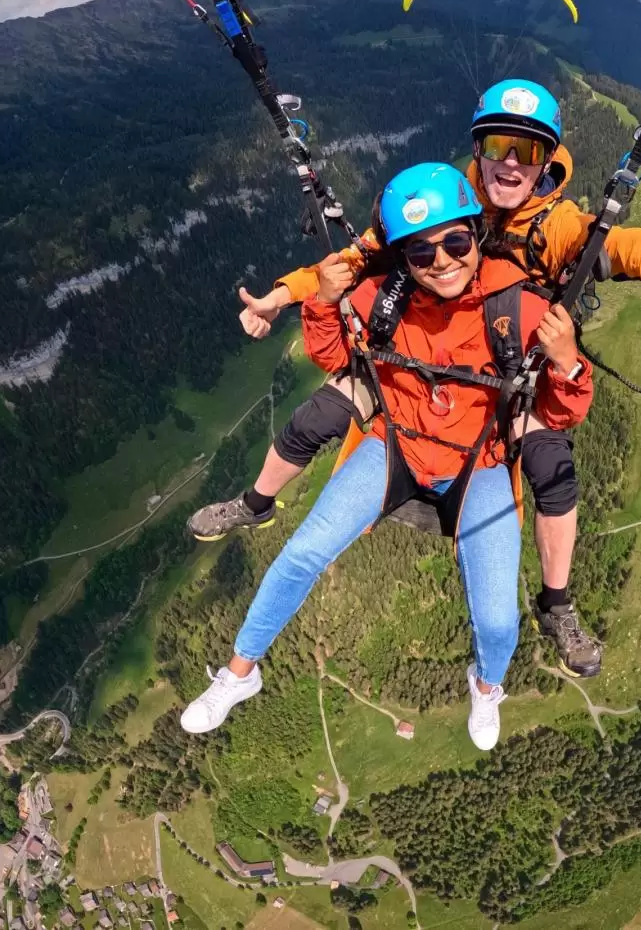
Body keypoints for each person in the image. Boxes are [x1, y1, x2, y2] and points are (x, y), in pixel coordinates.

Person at [188, 79, 641, 677]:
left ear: (546, 162)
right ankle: (257, 503)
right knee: (325, 408)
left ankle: (555, 602)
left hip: (508, 376)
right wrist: (282, 296)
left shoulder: (556, 231)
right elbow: (356, 260)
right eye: (498, 144)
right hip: (420, 366)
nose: (509, 162)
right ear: (478, 148)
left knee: (553, 467)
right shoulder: (442, 204)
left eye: (527, 152)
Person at [179, 162, 593, 749]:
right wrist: (320, 301)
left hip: (479, 465)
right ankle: (239, 674)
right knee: (302, 554)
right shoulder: (383, 299)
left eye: (455, 242)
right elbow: (333, 358)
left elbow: (562, 413)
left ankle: (487, 686)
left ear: (477, 235)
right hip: (395, 447)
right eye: (421, 254)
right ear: (401, 258)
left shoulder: (517, 309)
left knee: (499, 620)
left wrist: (567, 360)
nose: (442, 262)